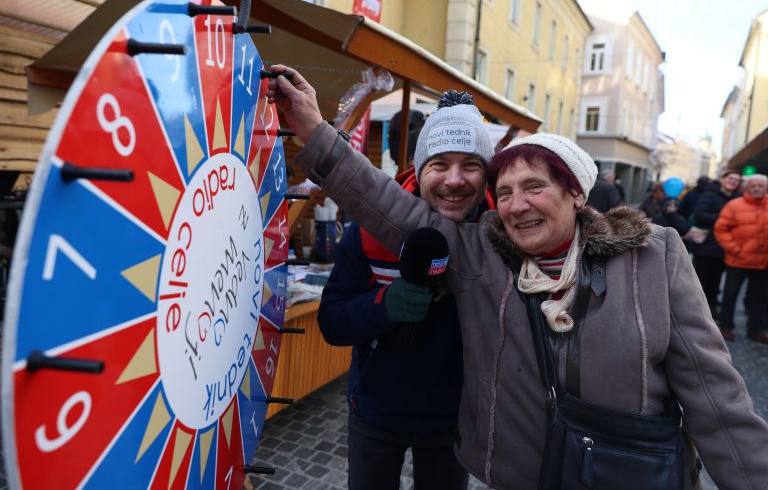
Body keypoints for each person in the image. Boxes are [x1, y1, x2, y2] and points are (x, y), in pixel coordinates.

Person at [267, 65, 768, 489]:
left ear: (576, 194)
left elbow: (717, 399)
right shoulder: (483, 250)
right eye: (504, 192)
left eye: (535, 186)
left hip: (622, 472)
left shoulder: (652, 258)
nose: (517, 204)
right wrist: (314, 128)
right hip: (514, 469)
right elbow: (381, 203)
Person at [318, 91, 493, 490]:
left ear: (486, 174)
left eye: (470, 165)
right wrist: (384, 305)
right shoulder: (369, 231)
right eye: (440, 164)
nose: (454, 179)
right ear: (419, 166)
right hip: (376, 414)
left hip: (453, 420)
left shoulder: (501, 237)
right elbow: (331, 321)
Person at [714, 174, 768, 343]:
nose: (757, 188)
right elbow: (721, 229)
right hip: (737, 260)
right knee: (730, 295)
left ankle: (756, 329)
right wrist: (735, 250)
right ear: (746, 188)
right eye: (754, 185)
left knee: (760, 298)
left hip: (763, 262)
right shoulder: (734, 205)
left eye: (761, 185)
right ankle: (726, 327)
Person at [690, 169, 741, 319]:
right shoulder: (709, 194)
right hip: (705, 245)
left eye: (736, 180)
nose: (733, 181)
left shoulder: (738, 197)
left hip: (724, 246)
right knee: (701, 279)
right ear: (723, 179)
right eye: (730, 178)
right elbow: (700, 214)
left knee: (716, 280)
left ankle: (711, 307)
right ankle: (695, 310)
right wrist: (725, 218)